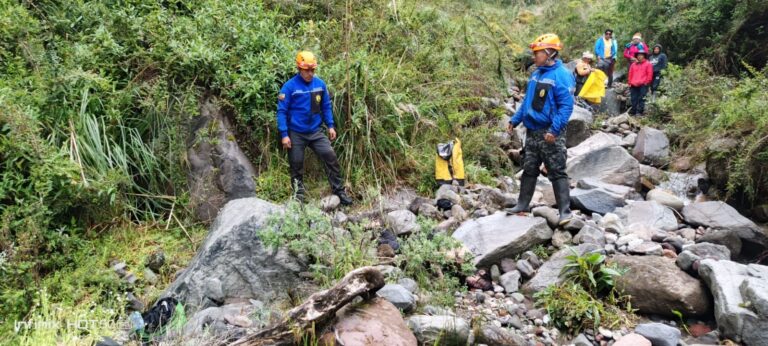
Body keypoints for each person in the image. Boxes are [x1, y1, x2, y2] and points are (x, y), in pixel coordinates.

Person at [506, 33, 575, 226]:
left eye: (538, 53)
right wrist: (515, 119)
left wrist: (554, 130)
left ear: (550, 53)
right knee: (529, 169)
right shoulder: (536, 74)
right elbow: (527, 102)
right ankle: (522, 205)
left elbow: (566, 107)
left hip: (550, 133)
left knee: (557, 170)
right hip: (532, 132)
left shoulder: (562, 76)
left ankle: (565, 212)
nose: (534, 56)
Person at [276, 51, 352, 205]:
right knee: (296, 164)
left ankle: (339, 191)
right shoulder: (289, 87)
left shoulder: (320, 84)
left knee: (330, 155)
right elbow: (281, 111)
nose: (310, 73)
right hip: (295, 132)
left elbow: (326, 107)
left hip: (315, 131)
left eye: (312, 70)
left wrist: (330, 126)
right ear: (299, 68)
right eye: (306, 70)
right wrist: (284, 134)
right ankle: (299, 197)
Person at [627, 47, 653, 116]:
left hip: (643, 84)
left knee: (641, 98)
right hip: (633, 84)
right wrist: (629, 82)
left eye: (641, 55)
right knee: (633, 98)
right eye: (638, 55)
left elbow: (649, 74)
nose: (639, 56)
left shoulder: (648, 64)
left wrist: (647, 82)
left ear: (644, 56)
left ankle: (639, 112)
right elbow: (630, 73)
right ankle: (633, 110)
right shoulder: (633, 64)